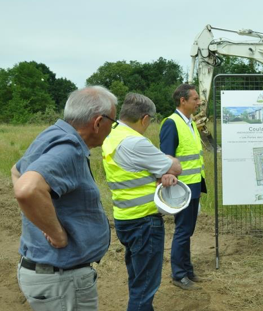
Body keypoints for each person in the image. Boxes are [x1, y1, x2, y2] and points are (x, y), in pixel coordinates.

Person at [11, 86, 117, 310]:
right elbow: (26, 189)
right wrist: (56, 233)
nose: (112, 129)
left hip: (47, 273)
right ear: (98, 122)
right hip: (61, 280)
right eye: (112, 122)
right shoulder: (70, 150)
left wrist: (37, 216)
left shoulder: (52, 134)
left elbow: (16, 171)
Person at [102, 93, 182, 310]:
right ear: (145, 119)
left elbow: (135, 171)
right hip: (145, 222)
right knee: (145, 287)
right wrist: (164, 167)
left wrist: (157, 173)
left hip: (124, 218)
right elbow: (176, 168)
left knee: (138, 280)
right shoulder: (136, 142)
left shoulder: (112, 136)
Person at [159, 84, 207, 290]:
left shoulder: (191, 123)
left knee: (188, 230)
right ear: (183, 101)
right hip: (183, 188)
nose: (199, 102)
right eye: (195, 99)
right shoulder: (172, 123)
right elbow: (167, 159)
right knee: (182, 230)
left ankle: (187, 269)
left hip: (194, 184)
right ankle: (179, 274)